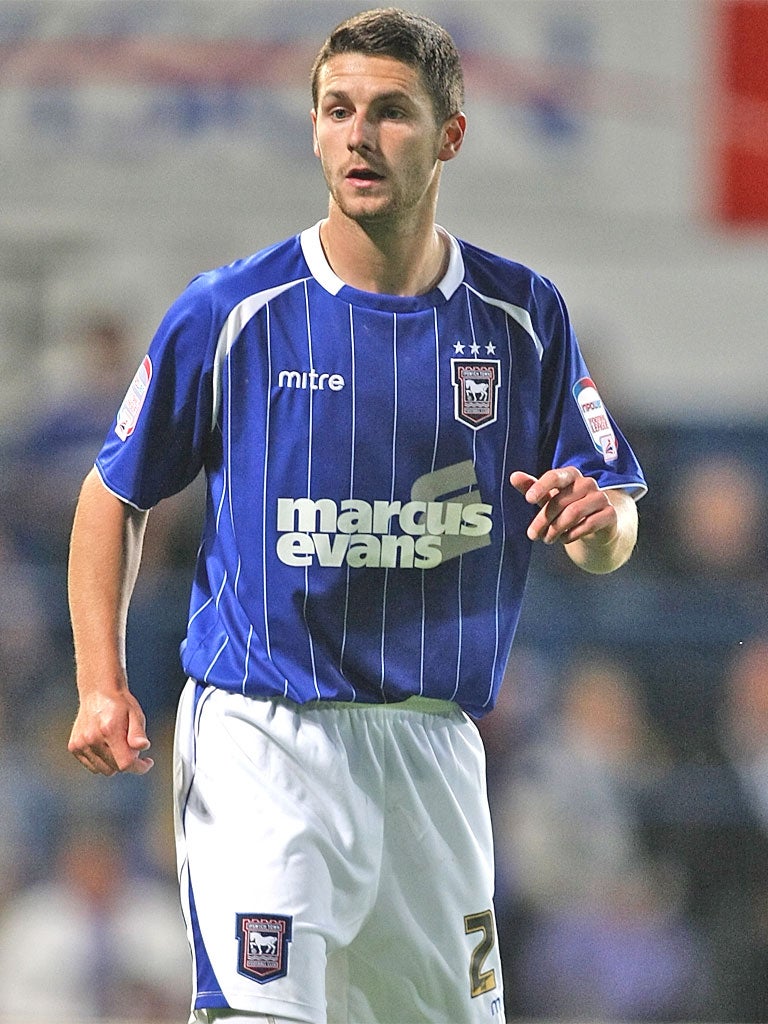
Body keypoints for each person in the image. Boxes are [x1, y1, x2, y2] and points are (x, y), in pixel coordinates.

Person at [67, 9, 646, 1023]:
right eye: (338, 111)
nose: (359, 137)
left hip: (434, 751)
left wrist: (596, 521)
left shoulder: (522, 318)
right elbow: (114, 493)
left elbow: (612, 534)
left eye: (389, 113)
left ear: (449, 137)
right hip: (265, 735)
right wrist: (102, 684)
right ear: (313, 126)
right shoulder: (233, 312)